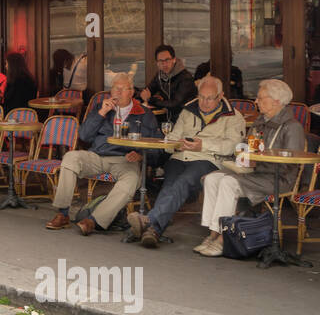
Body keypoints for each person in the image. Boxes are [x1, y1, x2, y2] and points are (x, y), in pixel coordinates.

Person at [130, 76, 245, 248]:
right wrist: (172, 144)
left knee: (183, 182)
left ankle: (149, 221)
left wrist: (203, 146)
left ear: (220, 96)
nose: (204, 102)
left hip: (208, 160)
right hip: (180, 157)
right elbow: (175, 137)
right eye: (201, 97)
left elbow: (233, 146)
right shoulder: (188, 110)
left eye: (209, 98)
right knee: (170, 185)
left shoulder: (233, 116)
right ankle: (153, 230)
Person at [195, 79, 305, 256]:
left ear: (277, 101)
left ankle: (224, 238)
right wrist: (244, 157)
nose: (256, 101)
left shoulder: (292, 127)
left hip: (277, 178)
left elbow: (291, 163)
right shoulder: (260, 122)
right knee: (212, 178)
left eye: (261, 98)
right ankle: (213, 234)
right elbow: (247, 147)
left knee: (228, 183)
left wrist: (258, 161)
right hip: (254, 173)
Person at [46, 73, 160, 235]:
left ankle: (94, 220)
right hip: (98, 156)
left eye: (122, 89)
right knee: (71, 158)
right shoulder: (102, 107)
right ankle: (63, 214)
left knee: (132, 179)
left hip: (125, 160)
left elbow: (157, 146)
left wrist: (141, 155)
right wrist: (101, 113)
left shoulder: (144, 114)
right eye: (115, 89)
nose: (118, 93)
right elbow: (84, 135)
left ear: (131, 92)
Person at [141, 44, 196, 118]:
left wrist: (151, 100)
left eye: (167, 60)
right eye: (161, 61)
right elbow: (148, 90)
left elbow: (175, 104)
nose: (164, 64)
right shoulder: (160, 75)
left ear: (174, 60)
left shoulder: (185, 78)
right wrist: (142, 94)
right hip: (166, 117)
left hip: (184, 118)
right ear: (157, 63)